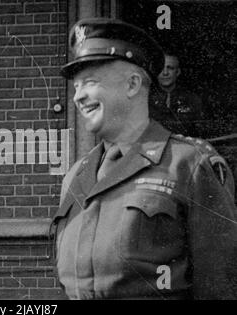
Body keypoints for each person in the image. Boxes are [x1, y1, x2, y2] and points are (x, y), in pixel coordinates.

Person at [51, 18, 237, 300]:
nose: (78, 97)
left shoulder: (188, 166)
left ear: (132, 84)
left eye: (89, 82)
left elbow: (218, 287)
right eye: (76, 87)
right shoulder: (76, 176)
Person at [149, 53, 204, 137]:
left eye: (170, 68)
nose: (165, 73)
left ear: (177, 72)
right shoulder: (144, 100)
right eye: (161, 68)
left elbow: (200, 133)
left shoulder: (192, 100)